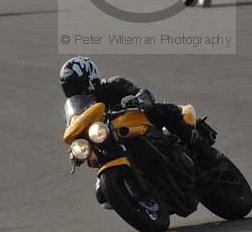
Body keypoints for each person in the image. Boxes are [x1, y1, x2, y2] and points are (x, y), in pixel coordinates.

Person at [59, 56, 202, 207]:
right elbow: (77, 128)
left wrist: (137, 98)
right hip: (110, 141)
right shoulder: (77, 111)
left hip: (136, 125)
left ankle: (195, 141)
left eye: (77, 86)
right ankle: (138, 195)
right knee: (102, 194)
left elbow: (141, 93)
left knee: (166, 110)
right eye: (69, 89)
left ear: (91, 78)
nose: (75, 92)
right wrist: (77, 150)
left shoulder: (113, 84)